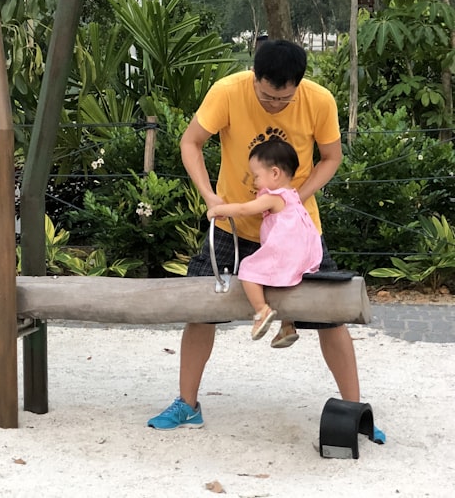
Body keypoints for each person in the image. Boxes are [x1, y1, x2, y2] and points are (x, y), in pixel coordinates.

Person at [146, 39, 385, 444]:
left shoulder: (319, 100)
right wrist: (211, 197)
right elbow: (191, 142)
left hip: (297, 230)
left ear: (298, 86)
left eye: (284, 98)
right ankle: (187, 404)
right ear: (254, 78)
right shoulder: (227, 91)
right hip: (232, 228)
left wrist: (295, 200)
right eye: (267, 96)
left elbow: (331, 156)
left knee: (331, 316)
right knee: (200, 312)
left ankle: (354, 408)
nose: (275, 104)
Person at [206, 137, 322, 346]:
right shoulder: (292, 195)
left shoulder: (273, 197)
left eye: (256, 176)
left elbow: (244, 209)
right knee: (285, 285)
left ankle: (261, 311)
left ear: (275, 173)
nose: (254, 182)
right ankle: (287, 325)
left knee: (248, 270)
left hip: (285, 252)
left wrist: (218, 209)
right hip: (305, 254)